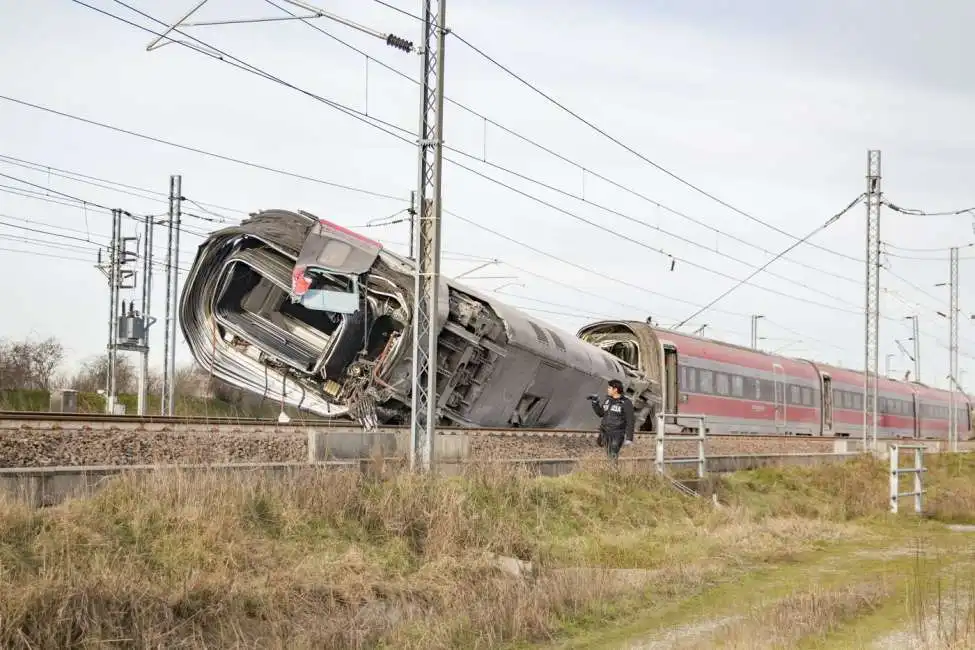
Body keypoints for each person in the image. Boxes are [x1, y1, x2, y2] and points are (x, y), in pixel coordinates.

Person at [588, 379, 635, 461]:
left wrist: (629, 438)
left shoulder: (626, 403)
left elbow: (630, 420)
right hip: (605, 432)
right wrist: (595, 402)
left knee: (613, 455)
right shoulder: (608, 400)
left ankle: (613, 472)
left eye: (609, 388)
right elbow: (601, 413)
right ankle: (611, 472)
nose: (607, 389)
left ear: (615, 389)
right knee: (609, 454)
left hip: (617, 434)